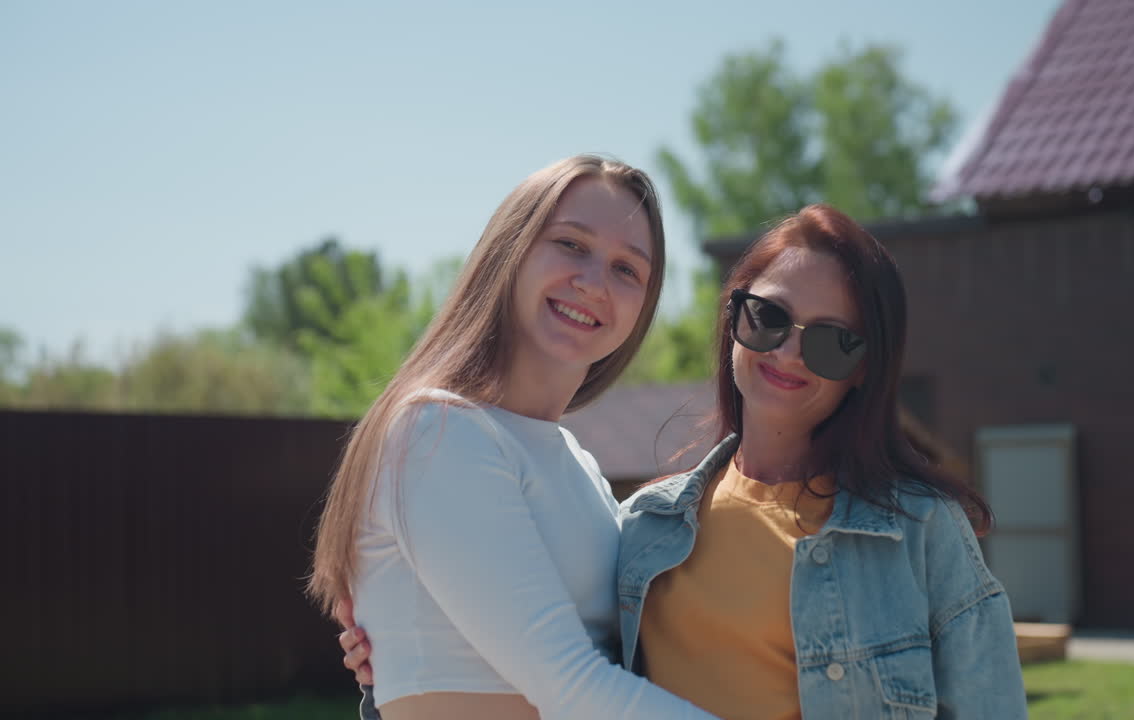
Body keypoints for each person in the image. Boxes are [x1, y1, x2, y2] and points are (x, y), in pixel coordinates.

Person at [341, 204, 1028, 719]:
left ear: (864, 369)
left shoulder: (921, 531)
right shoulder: (644, 528)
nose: (789, 352)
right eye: (768, 319)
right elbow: (554, 654)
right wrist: (393, 644)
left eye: (831, 342)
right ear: (733, 320)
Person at [309, 154, 719, 720]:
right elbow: (570, 686)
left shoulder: (579, 465)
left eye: (627, 269)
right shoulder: (438, 431)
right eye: (571, 244)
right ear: (511, 250)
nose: (594, 282)